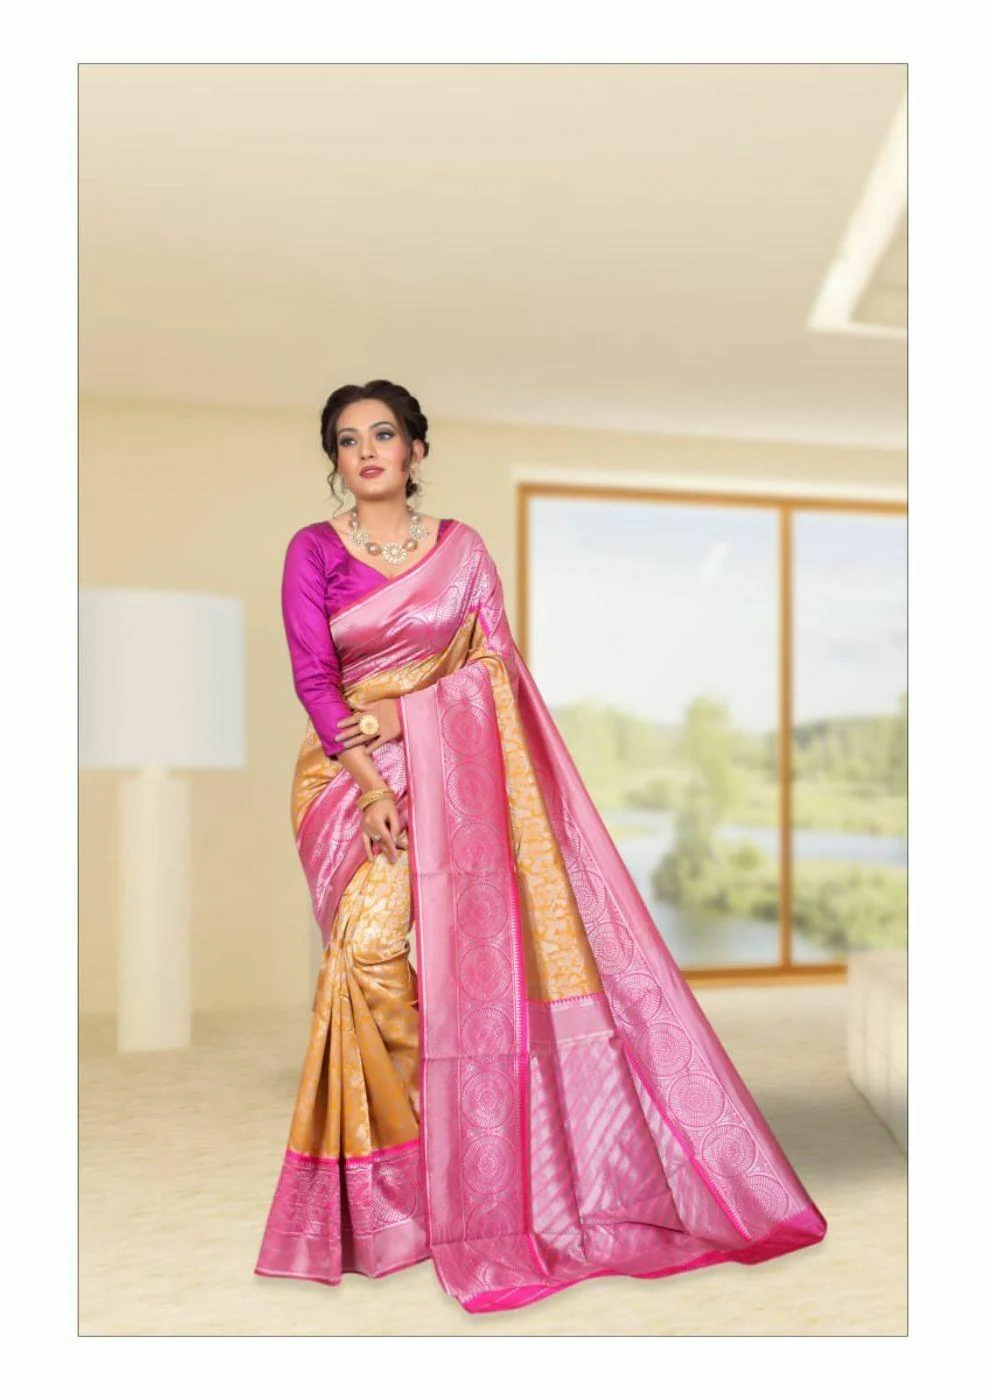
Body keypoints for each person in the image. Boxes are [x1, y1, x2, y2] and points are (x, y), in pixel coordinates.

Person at [255, 378, 827, 1314]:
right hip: (345, 782)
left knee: (440, 965)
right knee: (364, 959)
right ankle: (409, 1185)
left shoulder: (463, 552)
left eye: (384, 434)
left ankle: (456, 1175)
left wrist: (407, 716)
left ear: (416, 450)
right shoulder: (312, 550)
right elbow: (313, 676)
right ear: (334, 460)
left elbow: (495, 669)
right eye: (348, 440)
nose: (367, 452)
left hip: (448, 773)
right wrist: (371, 781)